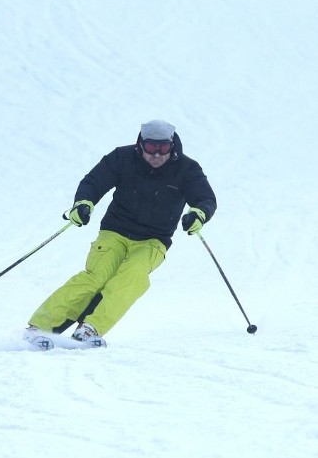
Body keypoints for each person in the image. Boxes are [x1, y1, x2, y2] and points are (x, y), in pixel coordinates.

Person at [25, 120, 217, 348]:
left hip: (153, 240)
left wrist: (198, 214)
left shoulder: (187, 169)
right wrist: (83, 203)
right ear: (140, 144)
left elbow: (205, 198)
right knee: (96, 276)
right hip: (115, 231)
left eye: (163, 148)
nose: (156, 154)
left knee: (133, 277)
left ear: (172, 146)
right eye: (151, 147)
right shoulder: (122, 158)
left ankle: (90, 328)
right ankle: (39, 327)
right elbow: (93, 182)